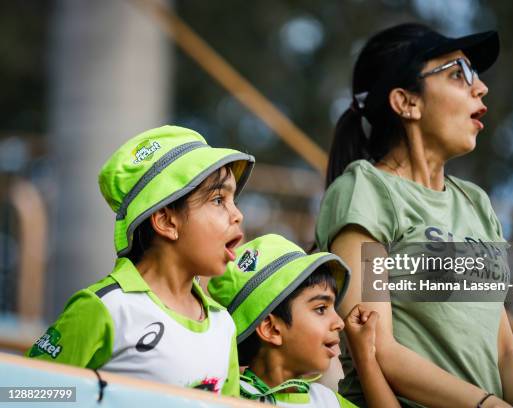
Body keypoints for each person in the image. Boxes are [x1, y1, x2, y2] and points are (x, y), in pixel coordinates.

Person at [315, 23, 513, 407]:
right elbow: (377, 347)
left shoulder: (476, 204)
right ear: (406, 102)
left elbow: (506, 352)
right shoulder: (368, 193)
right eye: (458, 74)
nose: (481, 87)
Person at [27, 125, 254, 396]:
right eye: (218, 199)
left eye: (233, 200)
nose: (237, 214)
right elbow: (23, 392)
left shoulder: (222, 324)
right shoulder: (105, 306)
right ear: (167, 221)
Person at [208, 234, 400, 407]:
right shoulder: (222, 399)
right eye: (321, 309)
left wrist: (365, 358)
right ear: (271, 329)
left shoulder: (330, 402)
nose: (340, 323)